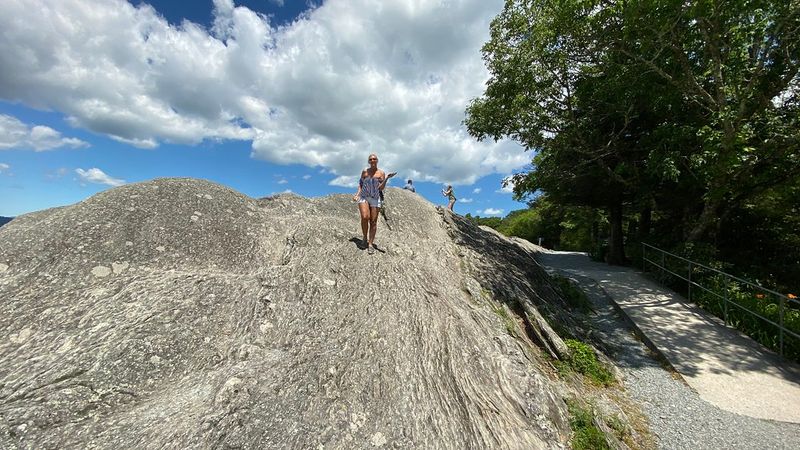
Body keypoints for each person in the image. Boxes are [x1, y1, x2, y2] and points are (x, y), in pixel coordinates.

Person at [353, 153, 395, 254]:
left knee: (373, 221)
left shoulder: (381, 173)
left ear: (377, 160)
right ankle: (364, 237)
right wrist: (357, 194)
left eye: (374, 159)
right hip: (364, 196)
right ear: (368, 161)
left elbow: (381, 188)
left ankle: (370, 244)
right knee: (365, 217)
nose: (372, 160)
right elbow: (360, 184)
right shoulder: (365, 171)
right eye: (371, 159)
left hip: (375, 197)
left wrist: (386, 178)